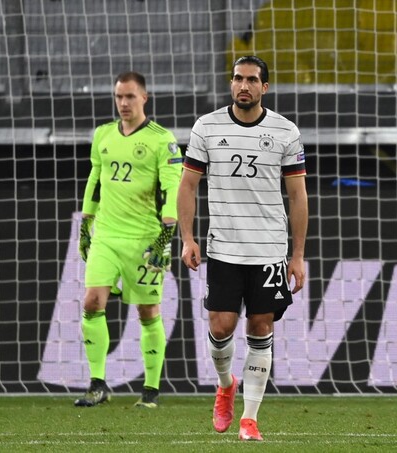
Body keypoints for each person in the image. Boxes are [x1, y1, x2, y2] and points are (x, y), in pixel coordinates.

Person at [177, 55, 308, 441]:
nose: (243, 85)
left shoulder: (285, 132)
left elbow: (297, 196)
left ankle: (249, 420)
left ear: (264, 87)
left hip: (268, 249)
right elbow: (188, 185)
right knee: (221, 327)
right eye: (238, 78)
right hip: (224, 248)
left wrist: (297, 255)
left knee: (261, 326)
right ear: (231, 83)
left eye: (251, 79)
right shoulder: (207, 127)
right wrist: (187, 238)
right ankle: (225, 385)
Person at [74, 71, 183, 409]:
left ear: (144, 98)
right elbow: (95, 178)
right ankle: (97, 384)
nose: (123, 103)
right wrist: (86, 223)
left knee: (147, 311)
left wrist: (167, 234)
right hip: (106, 235)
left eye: (130, 96)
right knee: (92, 302)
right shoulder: (103, 134)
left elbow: (173, 189)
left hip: (145, 239)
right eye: (119, 96)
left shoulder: (162, 140)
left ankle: (150, 389)